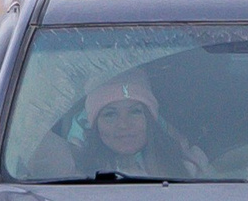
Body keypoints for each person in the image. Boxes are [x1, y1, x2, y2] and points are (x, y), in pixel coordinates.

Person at [78, 72, 210, 177]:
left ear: (150, 120)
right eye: (110, 114)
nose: (123, 124)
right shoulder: (74, 175)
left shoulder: (190, 166)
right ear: (95, 125)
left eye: (135, 112)